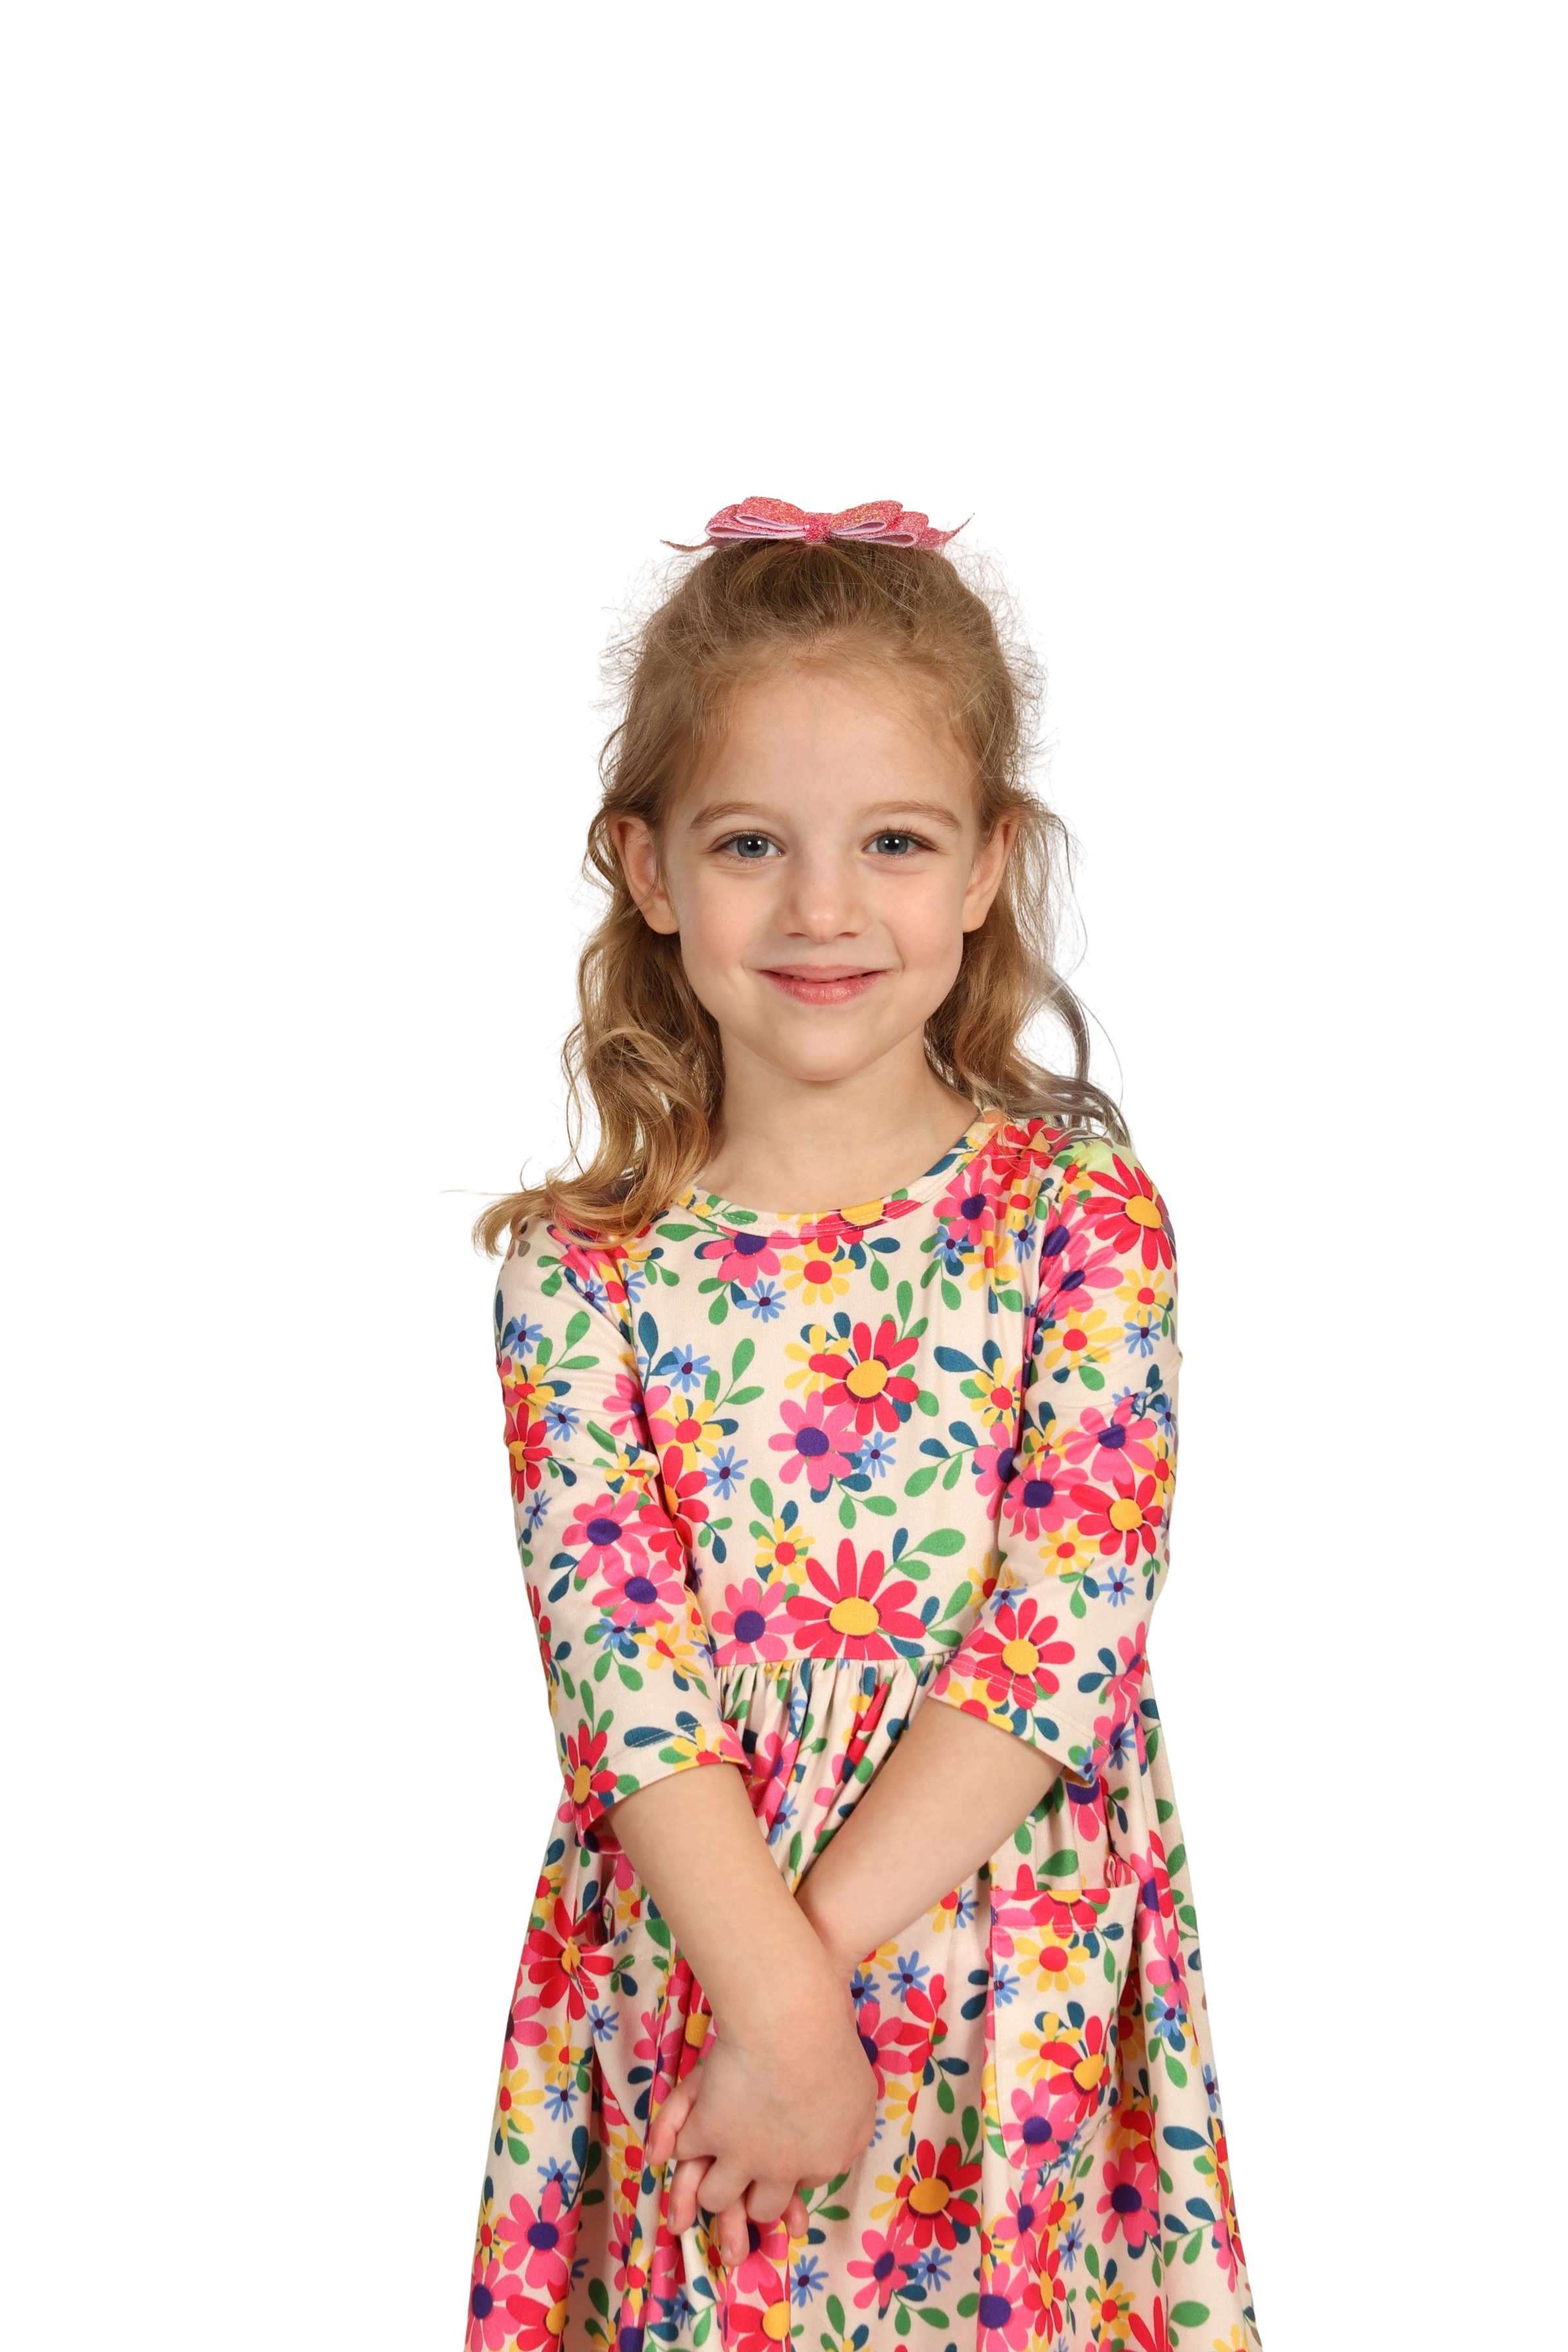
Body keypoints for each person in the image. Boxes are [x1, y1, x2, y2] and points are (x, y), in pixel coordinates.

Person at [456, 495, 1262, 2352]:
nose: (823, 910)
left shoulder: (1081, 1225)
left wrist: (799, 2018)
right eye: (753, 842)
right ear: (650, 869)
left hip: (1005, 1996)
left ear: (989, 866)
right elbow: (623, 1679)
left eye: (893, 840)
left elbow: (1064, 1640)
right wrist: (770, 2008)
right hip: (693, 1982)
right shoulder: (581, 1273)